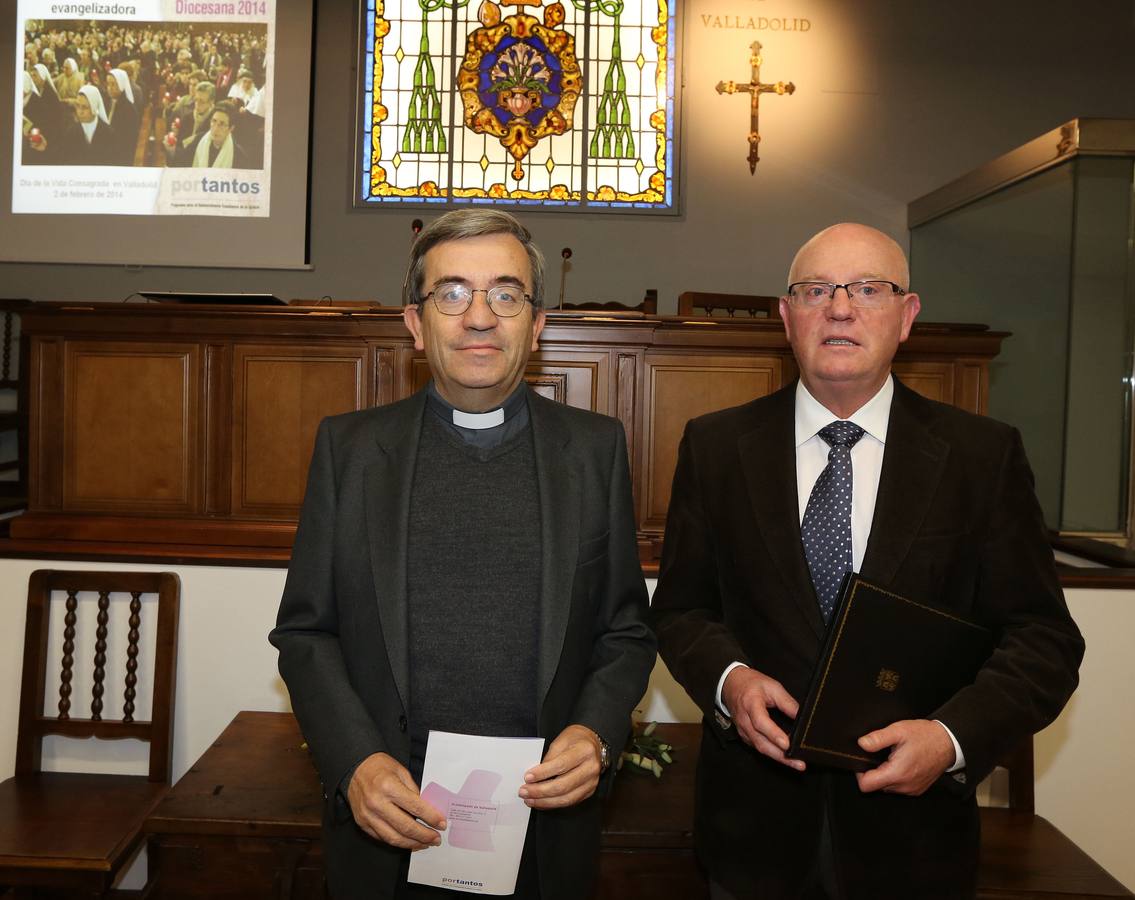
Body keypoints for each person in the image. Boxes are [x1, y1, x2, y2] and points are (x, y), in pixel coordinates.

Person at [651, 222, 1084, 900]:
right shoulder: (714, 447)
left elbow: (1044, 640)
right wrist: (729, 680)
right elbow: (680, 610)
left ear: (906, 316)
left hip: (915, 843)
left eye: (868, 289)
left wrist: (949, 738)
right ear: (785, 316)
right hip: (751, 834)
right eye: (815, 290)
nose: (840, 307)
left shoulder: (981, 457)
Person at [270, 209, 656, 900]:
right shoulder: (350, 451)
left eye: (505, 294)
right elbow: (305, 632)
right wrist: (355, 761)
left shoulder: (594, 451)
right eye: (451, 293)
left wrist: (595, 734)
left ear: (535, 326)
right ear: (415, 324)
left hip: (542, 828)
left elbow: (624, 631)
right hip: (386, 820)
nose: (479, 317)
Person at [58, 84, 116, 165]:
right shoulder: (71, 132)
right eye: (78, 106)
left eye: (85, 107)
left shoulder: (108, 133)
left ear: (94, 108)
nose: (80, 112)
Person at [189, 101, 250, 168]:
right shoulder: (198, 139)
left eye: (222, 124)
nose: (216, 128)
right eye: (214, 121)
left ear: (231, 129)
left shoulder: (239, 156)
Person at [104, 68, 141, 165]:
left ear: (121, 85)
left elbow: (125, 140)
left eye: (113, 84)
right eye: (108, 84)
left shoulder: (128, 109)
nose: (109, 88)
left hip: (120, 156)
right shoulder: (110, 101)